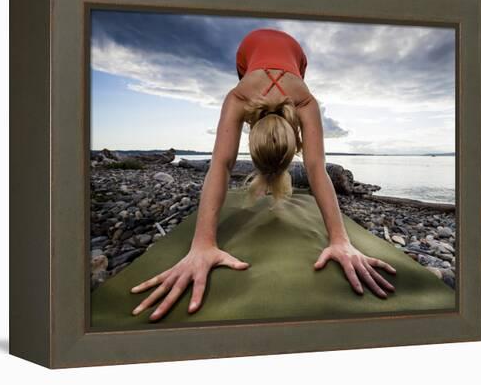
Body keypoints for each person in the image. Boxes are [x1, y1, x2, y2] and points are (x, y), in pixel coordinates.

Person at [130, 28, 397, 322]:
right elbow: (314, 167)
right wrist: (201, 245)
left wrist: (341, 240)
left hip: (293, 56)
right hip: (250, 54)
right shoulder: (274, 98)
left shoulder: (274, 98)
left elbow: (221, 164)